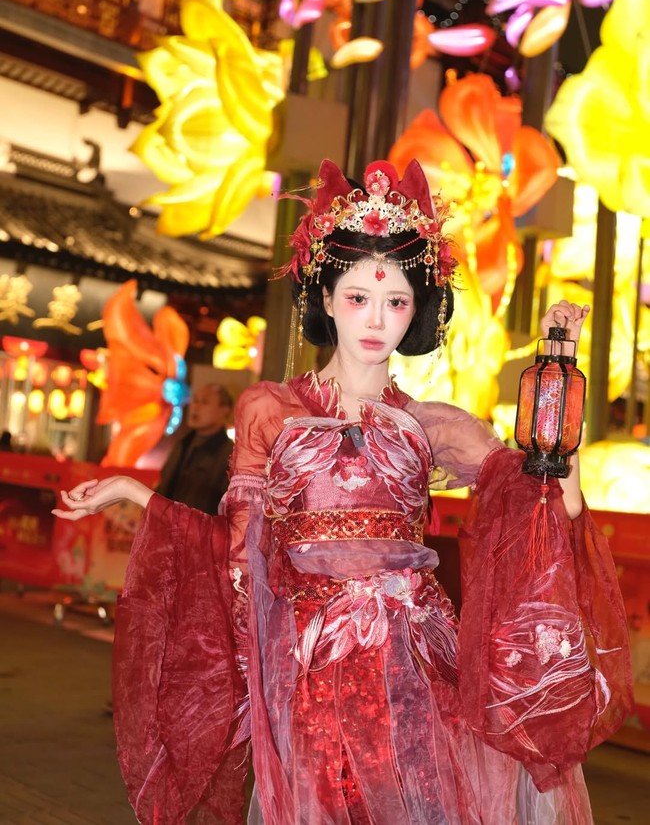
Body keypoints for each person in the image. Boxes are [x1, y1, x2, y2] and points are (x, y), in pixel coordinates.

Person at [54, 159, 632, 825]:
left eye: (396, 301)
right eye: (358, 298)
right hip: (309, 672)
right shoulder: (269, 409)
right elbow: (242, 559)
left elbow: (552, 503)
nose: (376, 319)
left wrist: (558, 370)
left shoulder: (434, 425)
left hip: (417, 673)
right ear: (326, 299)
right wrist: (138, 494)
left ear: (417, 309)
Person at [157, 383, 234, 514]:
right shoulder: (183, 443)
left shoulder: (229, 455)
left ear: (224, 410)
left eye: (204, 402)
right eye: (195, 400)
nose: (196, 407)